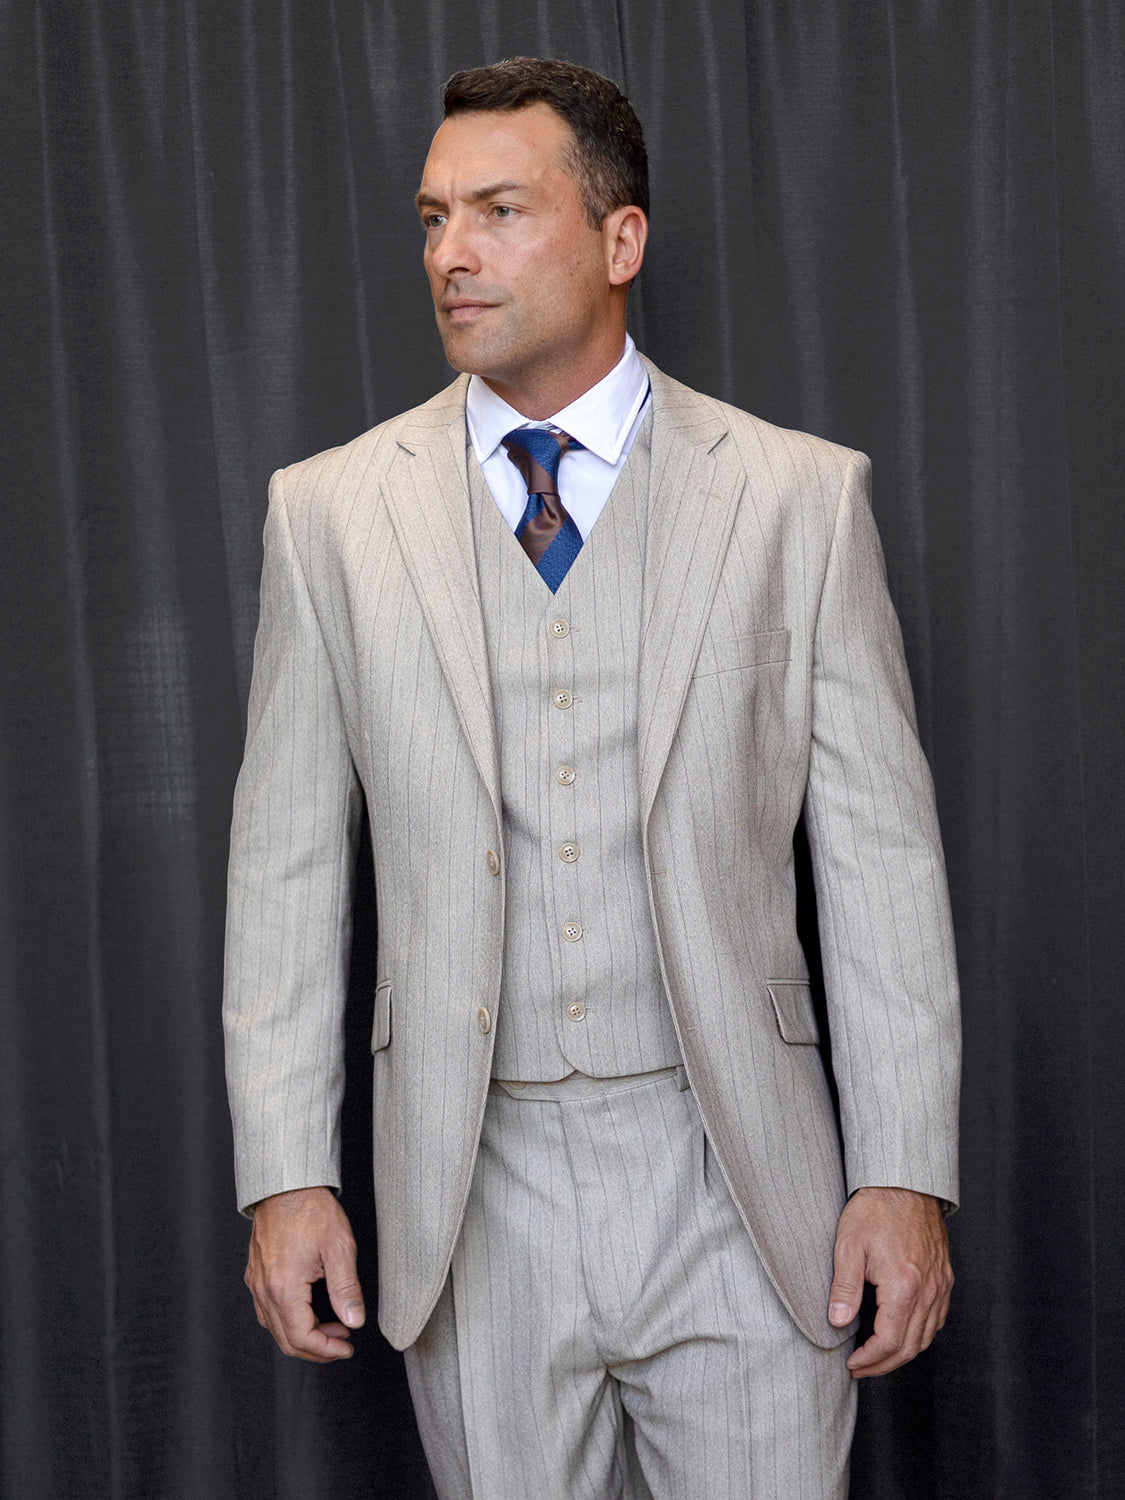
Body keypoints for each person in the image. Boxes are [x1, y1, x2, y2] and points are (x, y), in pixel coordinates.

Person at [224, 56, 960, 1500]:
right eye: (434, 217)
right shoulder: (326, 515)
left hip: (740, 1180)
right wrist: (284, 1170)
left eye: (499, 210)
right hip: (468, 1187)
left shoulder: (798, 501)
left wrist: (904, 1168)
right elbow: (287, 864)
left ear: (620, 242)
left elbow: (880, 857)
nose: (452, 253)